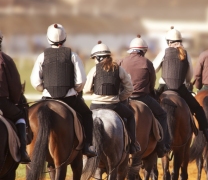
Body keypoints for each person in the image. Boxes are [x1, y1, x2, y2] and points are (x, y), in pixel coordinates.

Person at [30, 23, 96, 158]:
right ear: (65, 38)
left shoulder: (42, 56)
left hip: (47, 98)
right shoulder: (73, 55)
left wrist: (44, 89)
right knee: (87, 115)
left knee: (29, 115)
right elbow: (81, 81)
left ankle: (24, 147)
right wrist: (74, 89)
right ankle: (87, 146)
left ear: (48, 39)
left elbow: (35, 81)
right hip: (69, 99)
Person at [153, 26, 208, 143]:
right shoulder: (186, 54)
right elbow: (189, 74)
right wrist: (184, 81)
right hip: (180, 88)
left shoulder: (164, 52)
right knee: (197, 108)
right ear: (180, 41)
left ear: (168, 41)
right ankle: (207, 133)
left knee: (149, 106)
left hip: (164, 87)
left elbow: (153, 69)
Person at [83, 41, 140, 155]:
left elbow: (86, 90)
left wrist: (95, 93)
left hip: (96, 105)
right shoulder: (119, 69)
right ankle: (133, 143)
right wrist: (119, 98)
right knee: (130, 115)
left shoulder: (94, 70)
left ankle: (85, 145)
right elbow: (129, 89)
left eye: (95, 58)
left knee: (84, 120)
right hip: (114, 106)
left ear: (98, 58)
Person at [119, 35, 170, 157]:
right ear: (143, 51)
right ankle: (162, 145)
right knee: (162, 115)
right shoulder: (147, 63)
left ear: (131, 50)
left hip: (124, 98)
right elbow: (152, 82)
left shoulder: (121, 61)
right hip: (143, 97)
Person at [0, 30, 31, 164]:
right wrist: (14, 101)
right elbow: (15, 87)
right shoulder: (6, 59)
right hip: (3, 102)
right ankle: (23, 151)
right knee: (19, 116)